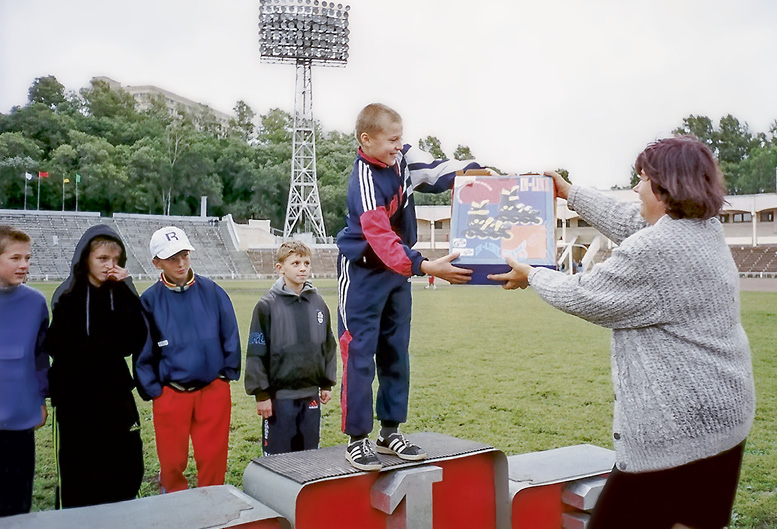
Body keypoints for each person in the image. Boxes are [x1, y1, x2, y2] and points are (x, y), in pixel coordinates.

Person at [489, 136, 756, 529]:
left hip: (675, 433)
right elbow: (634, 223)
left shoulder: (658, 249)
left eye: (643, 180)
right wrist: (569, 192)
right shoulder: (703, 227)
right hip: (724, 420)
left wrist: (533, 275)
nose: (635, 188)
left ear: (667, 188)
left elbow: (585, 295)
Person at [336, 103, 485, 471]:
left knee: (395, 352)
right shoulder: (364, 180)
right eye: (392, 139)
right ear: (366, 140)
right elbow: (381, 239)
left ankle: (390, 431)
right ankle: (357, 439)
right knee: (359, 355)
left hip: (397, 273)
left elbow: (437, 171)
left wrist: (475, 172)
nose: (398, 146)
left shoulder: (402, 156)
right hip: (364, 273)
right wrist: (423, 265)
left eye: (400, 138)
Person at [45, 225, 147, 508]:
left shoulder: (122, 293)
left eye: (115, 260)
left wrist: (127, 287)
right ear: (86, 258)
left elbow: (135, 338)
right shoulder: (66, 295)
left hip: (114, 394)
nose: (109, 266)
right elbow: (55, 345)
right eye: (102, 258)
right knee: (79, 470)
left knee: (125, 464)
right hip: (75, 399)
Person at [135, 226, 241, 493]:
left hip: (212, 390)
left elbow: (229, 334)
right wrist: (154, 390)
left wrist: (224, 375)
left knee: (213, 459)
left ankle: (214, 507)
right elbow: (143, 349)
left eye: (184, 255)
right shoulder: (149, 300)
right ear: (157, 262)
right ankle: (175, 508)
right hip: (172, 393)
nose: (181, 263)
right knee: (172, 462)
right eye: (172, 258)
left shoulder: (213, 291)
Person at [245, 241, 337, 455]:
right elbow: (256, 352)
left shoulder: (318, 303)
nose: (302, 268)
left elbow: (328, 346)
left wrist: (326, 383)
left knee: (309, 454)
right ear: (280, 268)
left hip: (310, 396)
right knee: (278, 458)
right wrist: (261, 394)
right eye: (295, 263)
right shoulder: (266, 305)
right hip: (280, 399)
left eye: (306, 263)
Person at [0, 226, 49, 517]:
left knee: (19, 501)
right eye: (16, 258)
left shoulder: (35, 303)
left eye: (28, 258)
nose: (24, 265)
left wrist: (42, 399)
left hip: (22, 417)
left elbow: (41, 356)